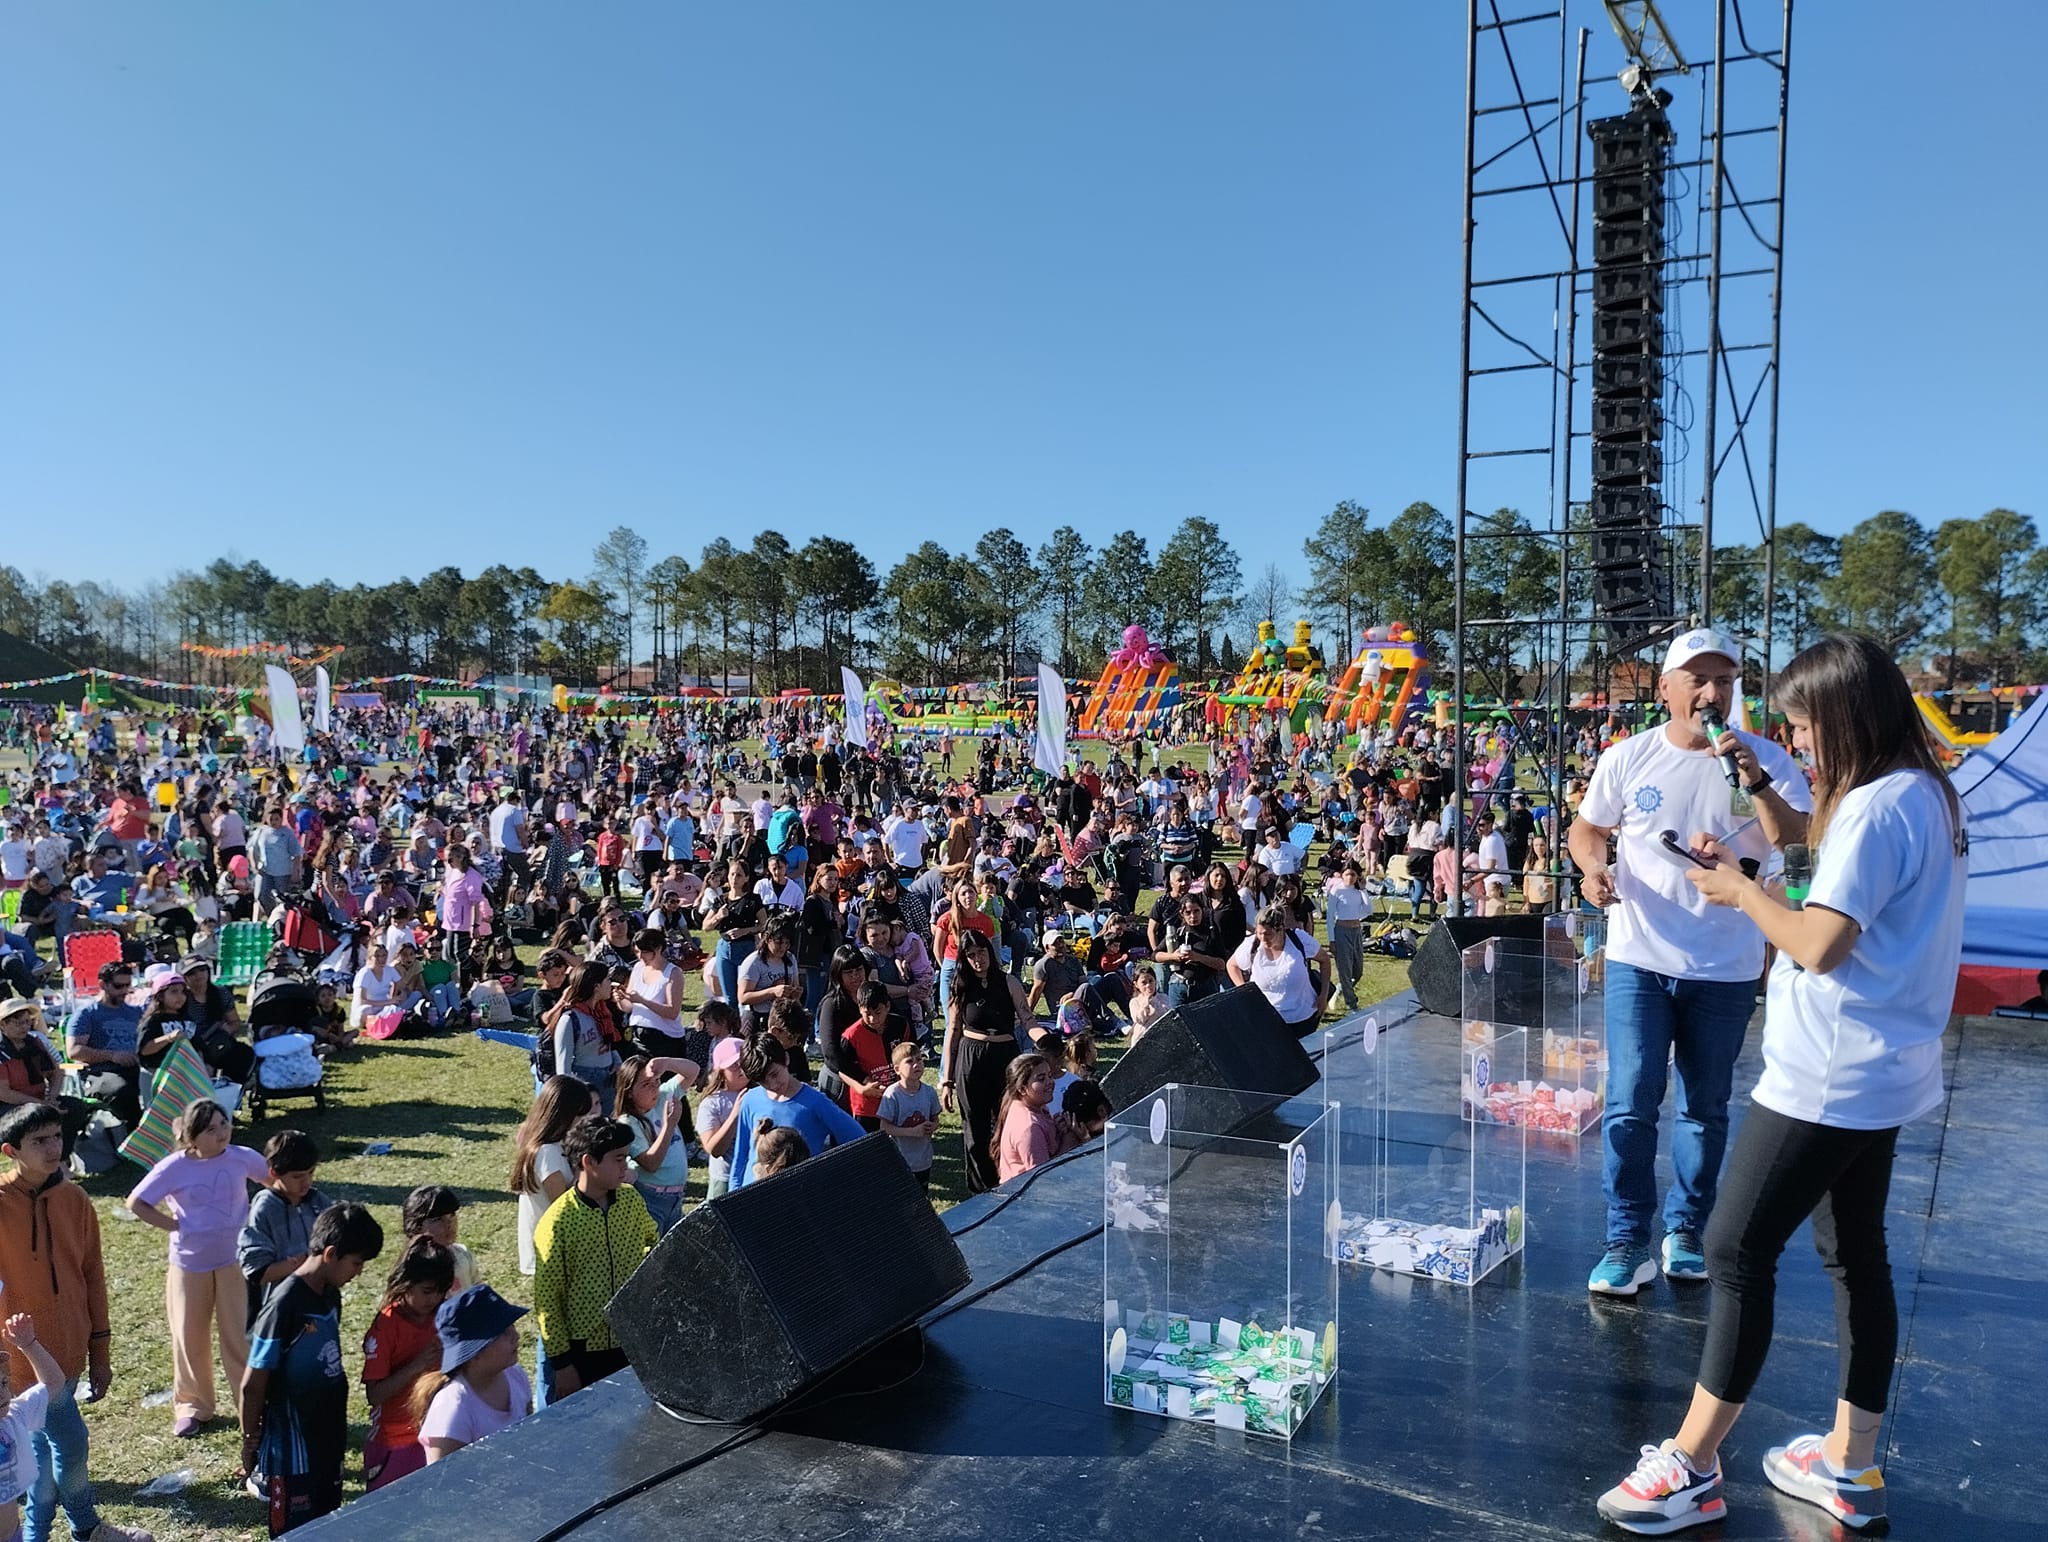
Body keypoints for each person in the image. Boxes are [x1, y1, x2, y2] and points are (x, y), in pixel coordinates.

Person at [1595, 634, 1967, 1535]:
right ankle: (1849, 1465)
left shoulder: (1879, 809)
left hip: (1827, 1076)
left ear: (1844, 716)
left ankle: (1691, 1463)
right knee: (1855, 1258)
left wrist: (1739, 891)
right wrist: (1755, 785)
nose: (1794, 743)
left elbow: (1816, 942)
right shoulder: (1920, 793)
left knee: (1732, 1251)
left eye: (1802, 727)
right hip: (1885, 1070)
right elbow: (1810, 837)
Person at [1568, 627, 1811, 1296]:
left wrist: (1755, 788)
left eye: (1725, 682)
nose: (1712, 695)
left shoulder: (1765, 760)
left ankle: (1685, 1231)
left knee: (1704, 1108)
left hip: (1726, 966)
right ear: (1667, 687)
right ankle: (1625, 1240)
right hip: (1639, 956)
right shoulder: (1628, 757)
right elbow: (1587, 829)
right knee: (1630, 1098)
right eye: (1698, 681)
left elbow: (1802, 849)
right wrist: (1593, 869)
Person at [0, 1103, 153, 1542]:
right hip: (17, 1355)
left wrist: (99, 1352)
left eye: (56, 1137)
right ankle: (84, 1525)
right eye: (39, 1141)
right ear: (12, 1150)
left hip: (65, 1349)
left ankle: (37, 1532)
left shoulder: (75, 1199)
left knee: (44, 1452)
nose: (53, 1148)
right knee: (69, 1443)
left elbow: (92, 1276)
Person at [125, 1099, 270, 1438]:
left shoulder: (242, 1157)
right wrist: (172, 1225)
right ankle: (193, 1406)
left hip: (236, 1261)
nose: (222, 1132)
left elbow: (273, 1183)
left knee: (239, 1336)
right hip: (189, 1265)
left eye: (224, 1123)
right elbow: (137, 1201)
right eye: (211, 1128)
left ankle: (251, 1404)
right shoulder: (174, 1167)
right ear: (192, 1137)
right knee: (189, 1337)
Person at [239, 1202, 384, 1537]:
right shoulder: (284, 1304)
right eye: (356, 1262)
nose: (359, 1271)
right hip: (293, 1453)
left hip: (328, 1441)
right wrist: (251, 1440)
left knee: (328, 1528)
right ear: (330, 1253)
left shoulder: (330, 1295)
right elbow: (253, 1383)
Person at [532, 1115, 658, 1402]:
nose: (625, 1166)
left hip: (631, 1340)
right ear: (589, 1162)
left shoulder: (631, 1201)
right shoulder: (558, 1222)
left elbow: (654, 1242)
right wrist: (562, 1364)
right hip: (583, 1352)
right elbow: (547, 1299)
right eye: (618, 1159)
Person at [510, 1076, 593, 1410]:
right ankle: (547, 1403)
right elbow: (567, 1201)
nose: (583, 1122)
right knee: (553, 1332)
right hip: (550, 1254)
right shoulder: (546, 1153)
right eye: (579, 1115)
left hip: (562, 1253)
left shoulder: (552, 1147)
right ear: (562, 1114)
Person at [941, 931, 1034, 1194]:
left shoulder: (1009, 982)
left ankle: (1008, 1180)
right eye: (970, 955)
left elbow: (1028, 1019)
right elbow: (952, 1032)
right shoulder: (960, 985)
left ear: (989, 952)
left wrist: (1045, 1039)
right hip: (972, 1057)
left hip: (1006, 1056)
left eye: (981, 952)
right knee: (975, 1128)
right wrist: (946, 1079)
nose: (977, 959)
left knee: (1008, 1122)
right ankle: (979, 1192)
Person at [360, 1238, 456, 1492]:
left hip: (435, 1432)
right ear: (405, 1283)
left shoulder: (443, 1315)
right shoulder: (385, 1327)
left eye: (440, 1291)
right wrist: (417, 1365)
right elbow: (375, 1394)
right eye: (427, 1291)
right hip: (394, 1442)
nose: (433, 1299)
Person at [414, 1284, 533, 1464]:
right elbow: (443, 1484)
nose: (515, 1336)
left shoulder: (515, 1375)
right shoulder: (452, 1410)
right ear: (474, 1354)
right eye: (503, 1333)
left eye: (513, 1327)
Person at [728, 1033, 866, 1188]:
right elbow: (741, 1156)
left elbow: (858, 1138)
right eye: (763, 1081)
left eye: (774, 1074)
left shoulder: (815, 1101)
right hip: (753, 1195)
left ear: (786, 1059)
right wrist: (733, 1192)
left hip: (798, 1195)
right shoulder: (750, 1100)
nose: (772, 1084)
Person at [236, 1130, 330, 1328]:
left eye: (311, 1173)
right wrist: (303, 1264)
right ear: (274, 1173)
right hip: (276, 1312)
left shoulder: (318, 1202)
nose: (306, 1182)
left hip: (317, 1306)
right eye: (297, 1176)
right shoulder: (265, 1208)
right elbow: (257, 1272)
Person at [614, 1052, 701, 1233]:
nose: (654, 1088)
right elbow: (651, 1164)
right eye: (646, 1084)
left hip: (676, 1197)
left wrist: (667, 1062)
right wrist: (669, 1125)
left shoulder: (663, 1096)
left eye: (656, 1082)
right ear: (629, 1092)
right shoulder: (629, 1121)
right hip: (651, 1197)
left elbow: (693, 1071)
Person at [0, 1311, 67, 1542]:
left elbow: (54, 1382)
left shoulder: (13, 1418)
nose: (2, 1393)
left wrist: (28, 1344)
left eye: (3, 1383)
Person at [1227, 903, 1330, 1034]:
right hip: (1267, 1019)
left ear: (1281, 929)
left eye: (1268, 934)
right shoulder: (1252, 945)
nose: (1263, 939)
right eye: (1259, 933)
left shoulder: (1300, 940)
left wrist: (1323, 995)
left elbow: (1325, 960)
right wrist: (1244, 991)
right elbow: (1231, 965)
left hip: (1303, 1018)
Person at [65, 961, 143, 1128]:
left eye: (128, 985)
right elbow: (74, 1051)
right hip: (100, 1072)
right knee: (123, 1091)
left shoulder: (136, 1013)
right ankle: (135, 1141)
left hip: (135, 1068)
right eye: (118, 986)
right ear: (102, 984)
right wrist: (112, 1056)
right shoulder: (86, 1014)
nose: (124, 991)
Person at [994, 1053, 1081, 1183]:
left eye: (1050, 1076)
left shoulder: (1032, 1105)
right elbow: (1042, 1179)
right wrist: (1069, 1141)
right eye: (1041, 1079)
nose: (1050, 1082)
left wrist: (1057, 1131)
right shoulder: (1029, 1128)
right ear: (1022, 1089)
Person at [876, 1039, 939, 1190]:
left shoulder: (929, 1092)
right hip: (899, 1160)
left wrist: (933, 1126)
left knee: (921, 1198)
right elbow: (884, 1127)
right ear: (897, 1069)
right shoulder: (892, 1094)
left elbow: (935, 1118)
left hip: (923, 1159)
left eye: (919, 1059)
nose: (916, 1064)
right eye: (909, 1061)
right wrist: (911, 1132)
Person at [695, 1036, 748, 1201]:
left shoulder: (759, 1091)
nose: (742, 1069)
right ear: (721, 1071)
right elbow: (713, 1149)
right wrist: (735, 1115)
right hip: (725, 1179)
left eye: (745, 1063)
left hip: (753, 1175)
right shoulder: (712, 1103)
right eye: (734, 1065)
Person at [622, 927, 687, 1058]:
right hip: (638, 1035)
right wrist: (620, 998)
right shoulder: (638, 968)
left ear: (658, 949)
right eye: (637, 952)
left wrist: (643, 1001)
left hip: (665, 1039)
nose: (640, 957)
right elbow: (629, 1007)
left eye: (645, 952)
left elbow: (672, 1012)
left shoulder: (673, 973)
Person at [402, 1185, 479, 1292]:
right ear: (415, 1226)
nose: (449, 1223)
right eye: (437, 1219)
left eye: (452, 1215)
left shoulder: (463, 1254)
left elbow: (478, 1290)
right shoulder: (413, 1266)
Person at [1323, 860, 1371, 1012]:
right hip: (1341, 931)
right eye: (1347, 874)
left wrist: (1364, 890)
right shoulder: (1337, 891)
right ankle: (1352, 1004)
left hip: (1356, 931)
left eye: (1353, 875)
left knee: (1358, 971)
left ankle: (1340, 989)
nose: (1350, 878)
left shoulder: (1358, 891)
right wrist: (1332, 940)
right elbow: (1330, 916)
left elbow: (1368, 910)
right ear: (1342, 875)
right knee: (1345, 970)